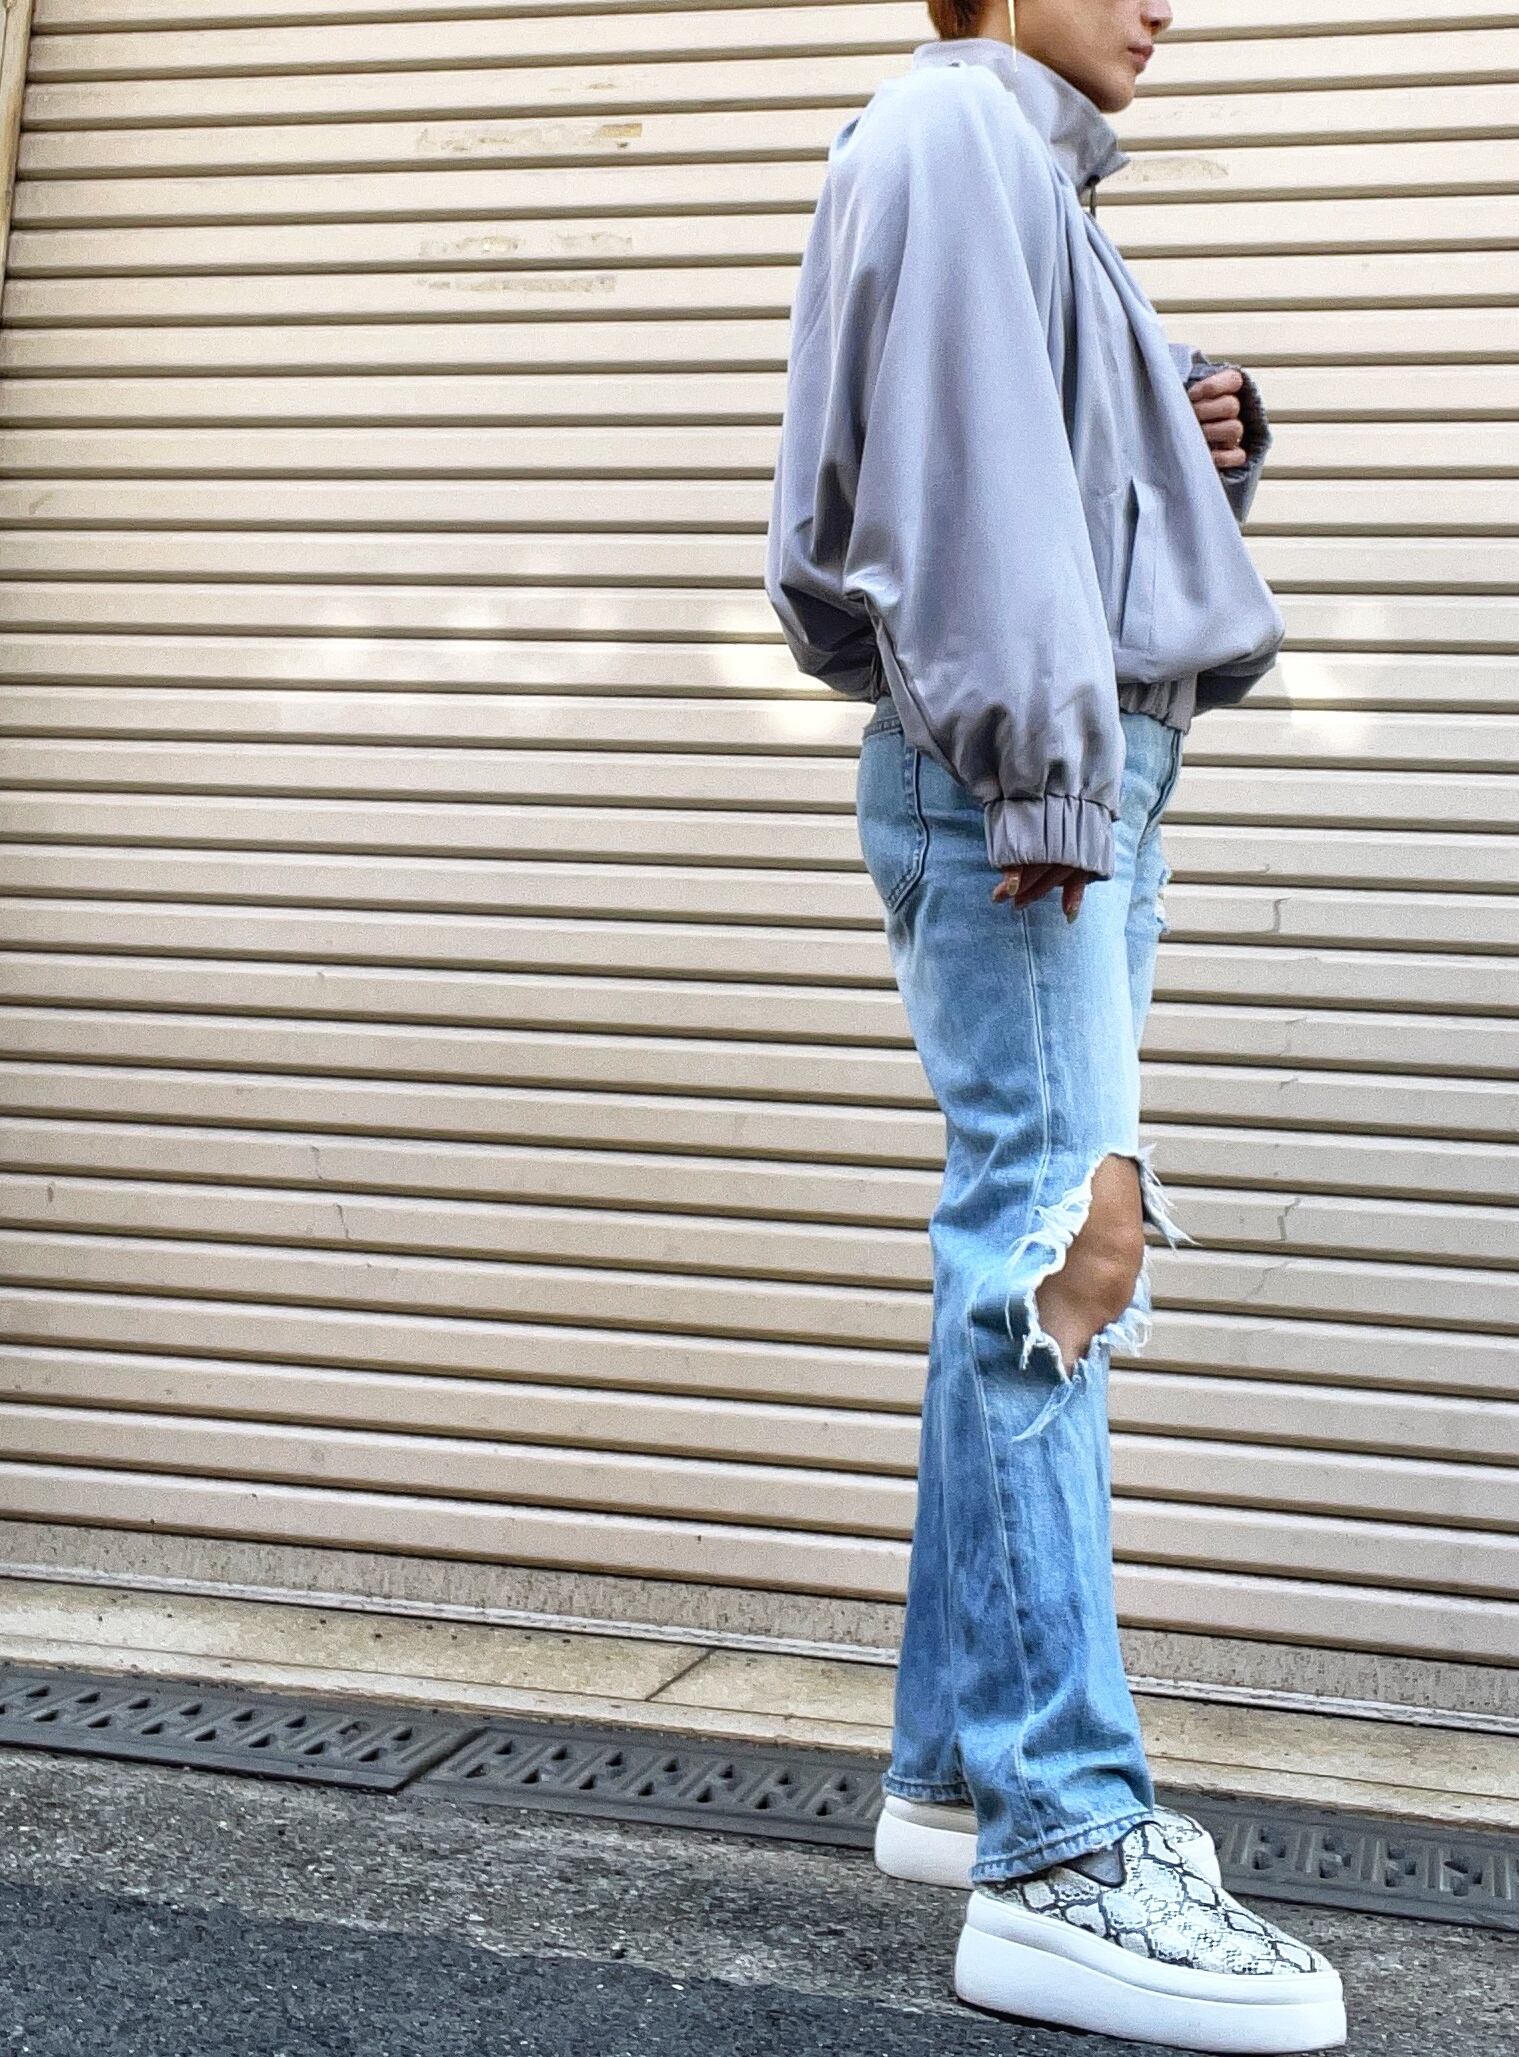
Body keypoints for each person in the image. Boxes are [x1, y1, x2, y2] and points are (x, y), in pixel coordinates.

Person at [764, 3, 1348, 2049]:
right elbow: (949, 510)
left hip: (1070, 773)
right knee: (1058, 1248)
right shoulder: (953, 136)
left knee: (1019, 1242)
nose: (1168, 0)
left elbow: (1024, 483)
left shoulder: (1019, 166)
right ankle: (1064, 1849)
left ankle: (956, 1770)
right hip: (1032, 786)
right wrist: (1039, 772)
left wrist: (1187, 445)